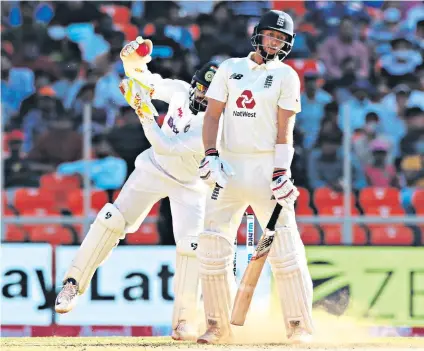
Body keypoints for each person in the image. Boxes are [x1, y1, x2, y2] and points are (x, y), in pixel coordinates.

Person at [55, 37, 231, 341]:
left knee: (191, 246)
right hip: (153, 169)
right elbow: (143, 78)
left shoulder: (213, 126)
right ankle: (72, 283)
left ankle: (185, 321)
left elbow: (166, 146)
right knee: (113, 219)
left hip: (189, 185)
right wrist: (132, 60)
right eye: (202, 92)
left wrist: (144, 112)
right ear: (194, 85)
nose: (203, 101)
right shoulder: (178, 90)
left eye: (211, 98)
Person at [197, 10, 313, 344]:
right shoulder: (230, 68)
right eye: (271, 36)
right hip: (229, 167)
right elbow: (212, 116)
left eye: (281, 39)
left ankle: (298, 324)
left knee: (286, 247)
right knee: (212, 244)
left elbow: (284, 129)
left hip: (265, 168)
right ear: (258, 35)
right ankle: (216, 325)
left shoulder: (286, 75)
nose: (275, 42)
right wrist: (210, 154)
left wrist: (281, 172)